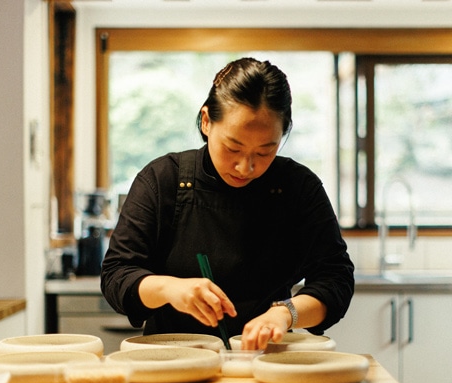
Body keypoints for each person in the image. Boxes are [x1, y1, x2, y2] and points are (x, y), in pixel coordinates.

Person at [101, 57, 354, 350]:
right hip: (173, 360)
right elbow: (117, 275)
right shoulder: (162, 180)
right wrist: (170, 288)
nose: (245, 167)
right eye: (233, 148)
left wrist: (286, 314)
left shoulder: (298, 187)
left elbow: (336, 279)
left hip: (266, 360)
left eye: (265, 151)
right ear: (206, 121)